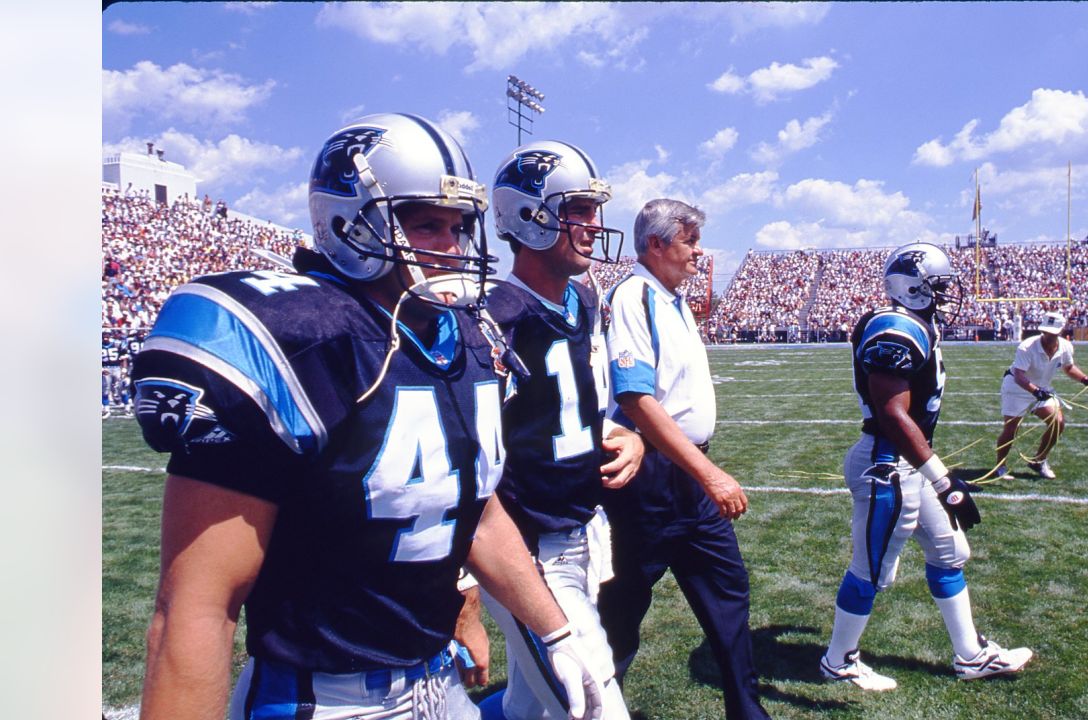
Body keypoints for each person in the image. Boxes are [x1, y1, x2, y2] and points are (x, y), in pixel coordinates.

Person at [131, 113, 606, 720]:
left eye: (460, 226)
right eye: (427, 223)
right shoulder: (303, 341)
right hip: (323, 699)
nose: (454, 245)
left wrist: (554, 631)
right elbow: (195, 607)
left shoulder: (461, 338)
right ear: (348, 224)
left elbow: (476, 507)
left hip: (439, 683)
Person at [477, 140, 644, 720]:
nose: (596, 224)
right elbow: (464, 461)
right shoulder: (492, 317)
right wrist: (463, 593)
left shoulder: (581, 298)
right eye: (581, 208)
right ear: (531, 214)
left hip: (576, 529)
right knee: (593, 703)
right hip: (525, 547)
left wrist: (629, 435)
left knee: (531, 704)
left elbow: (570, 409)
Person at [819, 242, 1032, 691]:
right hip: (886, 464)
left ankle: (971, 656)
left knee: (950, 552)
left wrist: (934, 473)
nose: (946, 295)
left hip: (908, 461)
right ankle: (838, 660)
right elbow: (892, 414)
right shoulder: (895, 327)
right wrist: (944, 480)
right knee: (872, 569)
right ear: (914, 286)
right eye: (939, 286)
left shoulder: (916, 324)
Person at [598, 199, 771, 720]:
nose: (699, 252)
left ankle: (747, 711)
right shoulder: (634, 296)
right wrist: (710, 473)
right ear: (656, 244)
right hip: (649, 480)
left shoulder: (671, 298)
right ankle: (597, 701)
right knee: (623, 602)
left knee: (727, 589)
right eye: (689, 241)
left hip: (688, 479)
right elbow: (636, 400)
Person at [993, 311, 1088, 480]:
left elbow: (1069, 367)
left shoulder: (1065, 346)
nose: (1049, 335)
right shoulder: (1027, 346)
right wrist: (1035, 390)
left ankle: (1039, 460)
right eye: (1046, 332)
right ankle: (1000, 466)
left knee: (1057, 422)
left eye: (1053, 332)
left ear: (1061, 331)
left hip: (1042, 389)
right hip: (1017, 389)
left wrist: (1086, 380)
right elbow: (1019, 375)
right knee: (1011, 429)